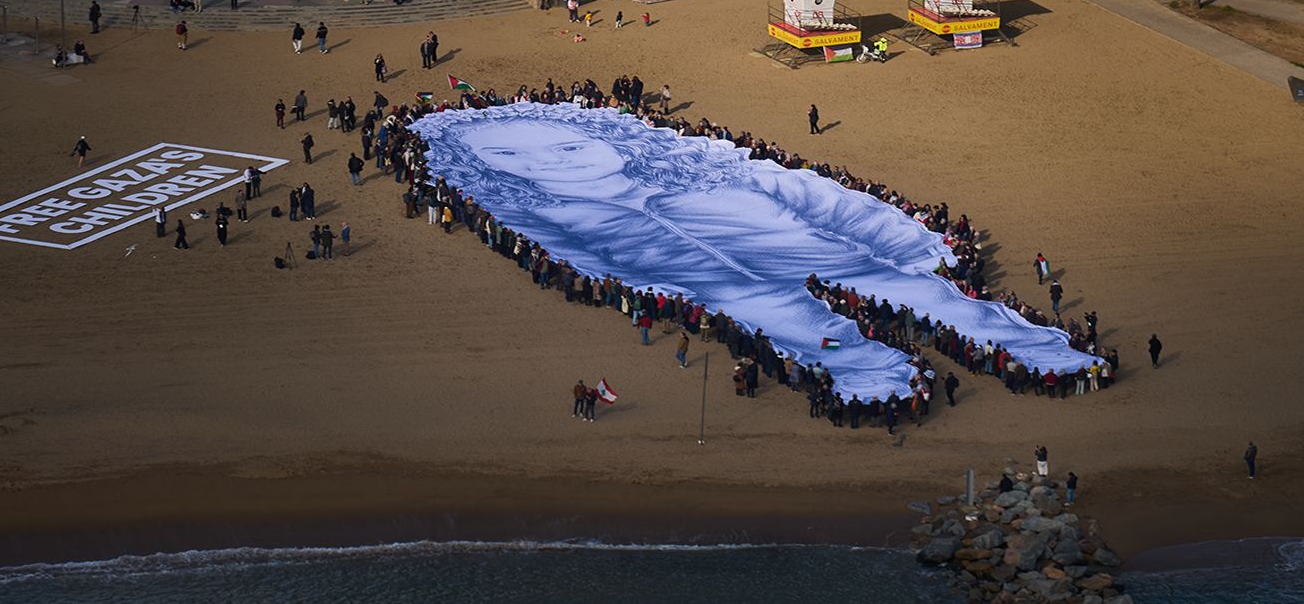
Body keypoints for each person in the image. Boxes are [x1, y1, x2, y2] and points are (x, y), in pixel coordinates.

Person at [410, 103, 1101, 402]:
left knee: (939, 309)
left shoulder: (711, 182)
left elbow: (843, 220)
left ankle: (1052, 358)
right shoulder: (580, 228)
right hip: (781, 309)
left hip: (845, 272)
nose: (557, 159)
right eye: (522, 160)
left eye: (564, 144)